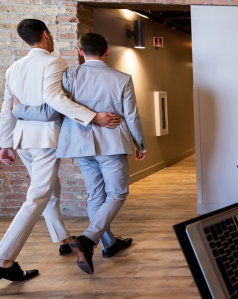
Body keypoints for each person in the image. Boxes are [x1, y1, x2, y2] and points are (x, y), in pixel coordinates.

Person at [0, 19, 118, 282]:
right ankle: (3, 260)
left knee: (50, 190)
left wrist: (6, 143)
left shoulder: (13, 68)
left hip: (23, 139)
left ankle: (63, 238)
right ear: (45, 35)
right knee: (38, 195)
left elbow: (7, 108)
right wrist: (93, 117)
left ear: (24, 40)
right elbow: (55, 99)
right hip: (45, 139)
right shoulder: (54, 62)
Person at [13, 33, 147, 275]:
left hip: (80, 144)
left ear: (81, 51)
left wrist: (19, 110)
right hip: (111, 144)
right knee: (117, 192)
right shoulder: (122, 78)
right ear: (107, 51)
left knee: (96, 194)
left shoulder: (70, 76)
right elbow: (131, 115)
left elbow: (51, 108)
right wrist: (140, 144)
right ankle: (88, 239)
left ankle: (109, 244)